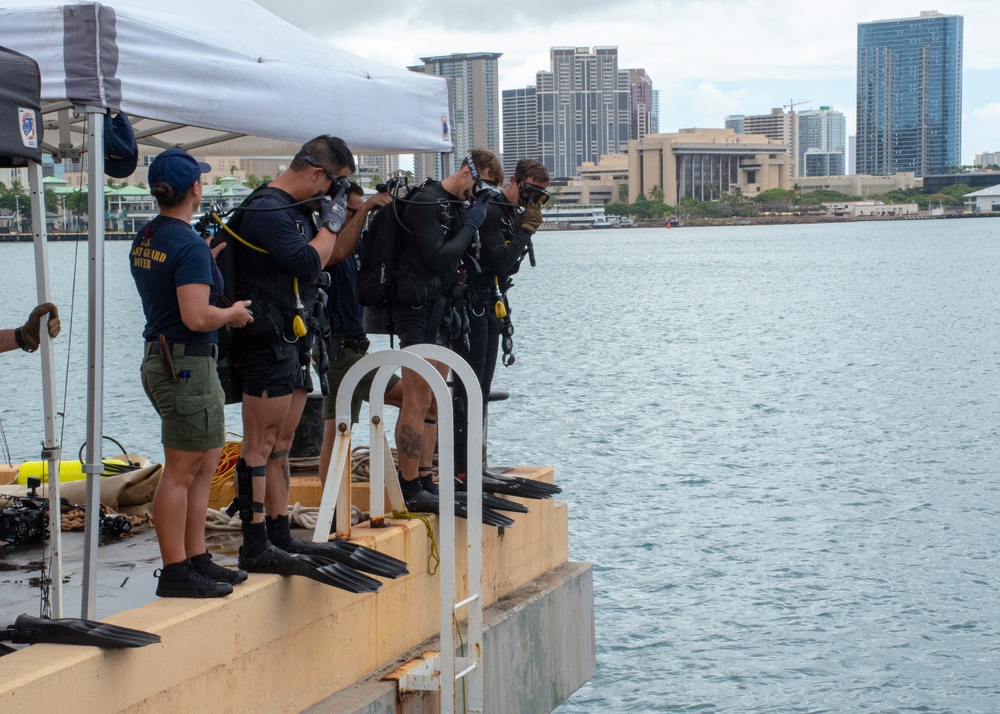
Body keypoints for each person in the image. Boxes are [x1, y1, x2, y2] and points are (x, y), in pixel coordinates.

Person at [226, 135, 357, 575]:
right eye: (335, 184)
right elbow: (307, 264)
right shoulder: (267, 210)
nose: (334, 195)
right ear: (318, 173)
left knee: (281, 446)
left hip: (293, 339)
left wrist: (340, 218)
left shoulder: (298, 212)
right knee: (258, 447)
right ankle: (255, 540)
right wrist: (332, 222)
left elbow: (326, 260)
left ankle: (280, 532)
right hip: (264, 342)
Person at [130, 148, 254, 598]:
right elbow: (198, 316)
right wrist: (235, 313)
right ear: (196, 189)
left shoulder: (149, 235)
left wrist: (198, 258)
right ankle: (176, 570)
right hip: (185, 360)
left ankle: (195, 556)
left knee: (203, 462)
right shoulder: (186, 245)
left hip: (166, 357)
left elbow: (168, 286)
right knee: (182, 469)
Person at [390, 148, 502, 510]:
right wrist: (471, 223)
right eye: (480, 187)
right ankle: (409, 485)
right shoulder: (426, 201)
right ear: (468, 173)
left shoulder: (454, 206)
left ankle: (425, 477)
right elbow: (438, 255)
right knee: (416, 397)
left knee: (436, 399)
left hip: (442, 309)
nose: (479, 198)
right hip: (416, 311)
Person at [456, 158, 549, 475]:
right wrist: (525, 232)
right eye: (530, 192)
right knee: (470, 388)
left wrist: (523, 231)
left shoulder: (509, 216)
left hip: (490, 305)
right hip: (473, 305)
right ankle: (463, 467)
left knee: (481, 388)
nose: (532, 201)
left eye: (539, 197)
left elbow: (511, 266)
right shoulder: (493, 211)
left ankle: (473, 464)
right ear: (514, 181)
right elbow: (498, 262)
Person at [317, 182, 403, 486]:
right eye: (350, 211)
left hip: (345, 347)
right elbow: (339, 251)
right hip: (340, 349)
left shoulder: (352, 244)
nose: (355, 217)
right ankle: (410, 479)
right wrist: (366, 209)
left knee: (337, 427)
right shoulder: (329, 247)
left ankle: (334, 506)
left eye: (358, 210)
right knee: (418, 400)